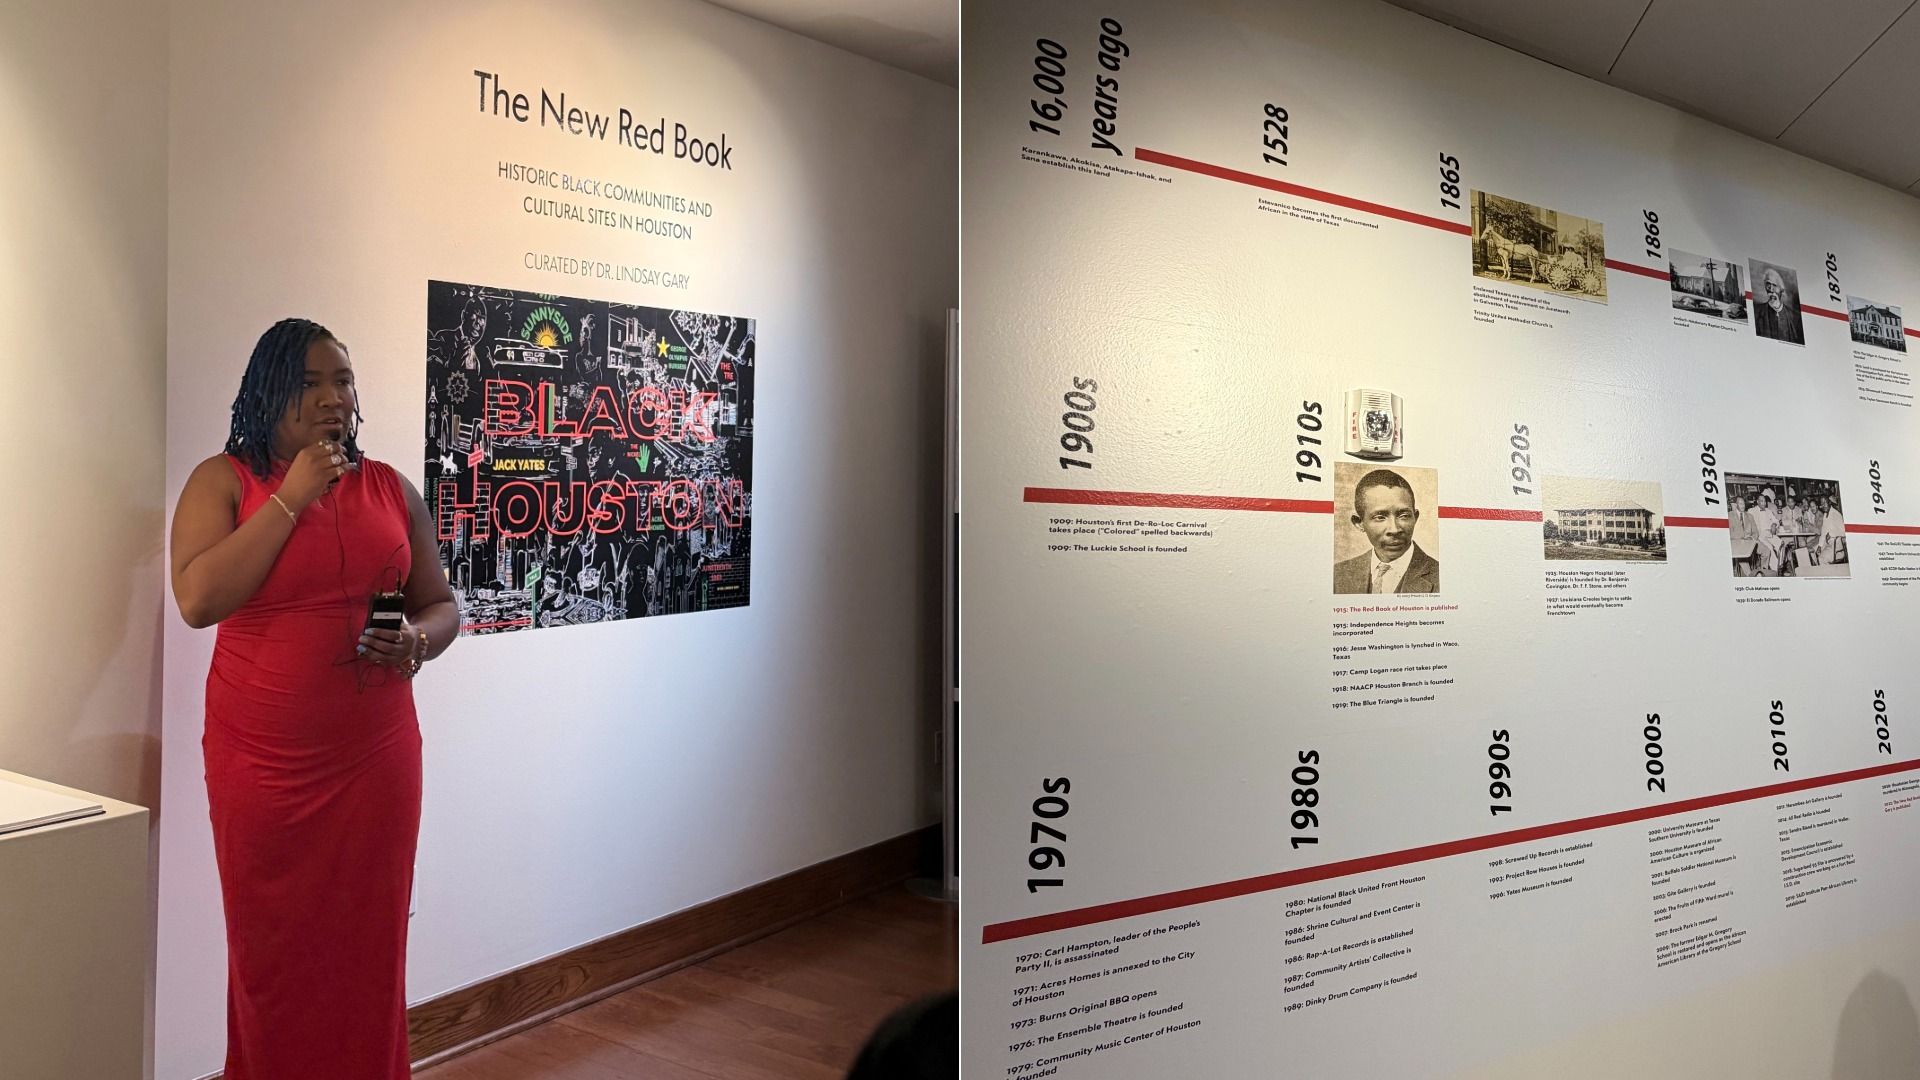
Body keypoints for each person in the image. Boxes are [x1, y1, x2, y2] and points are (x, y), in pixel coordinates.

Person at [169, 318, 461, 1078]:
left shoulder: (390, 488)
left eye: (344, 381)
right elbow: (199, 600)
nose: (334, 398)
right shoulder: (223, 481)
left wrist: (419, 644)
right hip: (263, 765)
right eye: (310, 383)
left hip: (376, 758)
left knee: (368, 948)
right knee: (272, 949)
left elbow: (443, 604)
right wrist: (292, 498)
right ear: (267, 393)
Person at [1334, 469, 1439, 593]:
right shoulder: (1338, 575)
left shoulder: (1440, 576)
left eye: (1403, 515)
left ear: (1415, 517)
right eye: (1380, 517)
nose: (1394, 529)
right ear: (1359, 523)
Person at [1754, 266, 1804, 344]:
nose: (1771, 289)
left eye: (1774, 285)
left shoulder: (1795, 317)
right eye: (1768, 284)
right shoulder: (1756, 312)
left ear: (1782, 290)